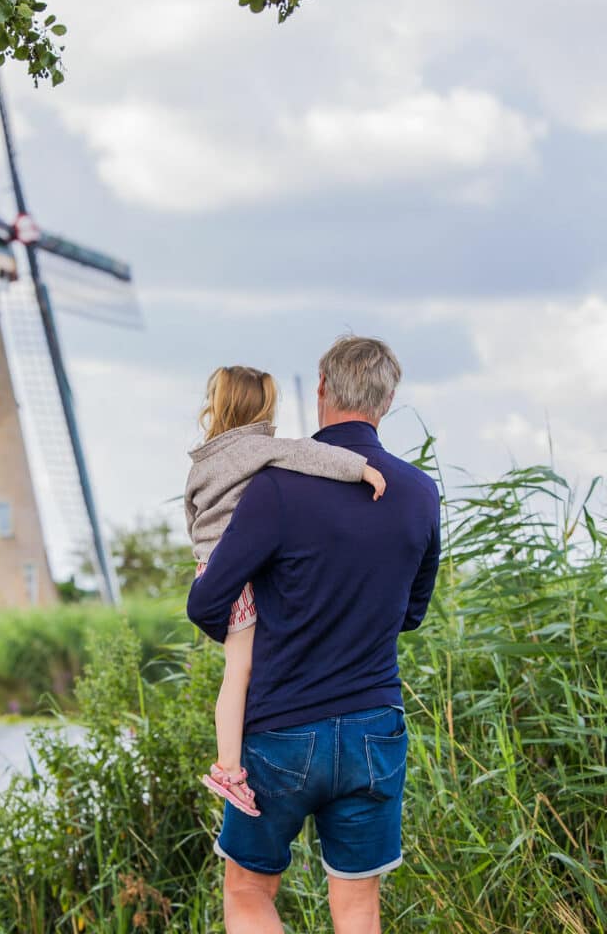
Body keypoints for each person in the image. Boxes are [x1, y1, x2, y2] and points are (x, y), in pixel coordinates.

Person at [188, 337, 441, 934]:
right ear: (389, 399)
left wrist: (252, 628)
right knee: (358, 908)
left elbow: (207, 602)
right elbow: (411, 613)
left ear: (322, 389)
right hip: (374, 730)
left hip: (279, 731)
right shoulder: (421, 493)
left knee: (248, 893)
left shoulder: (275, 486)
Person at [186, 365, 387, 817]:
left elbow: (192, 516)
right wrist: (362, 470)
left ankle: (230, 763)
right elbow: (312, 456)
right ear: (263, 407)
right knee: (239, 674)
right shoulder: (260, 449)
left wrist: (205, 563)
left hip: (210, 567)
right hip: (239, 573)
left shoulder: (203, 459)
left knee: (235, 671)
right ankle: (230, 770)